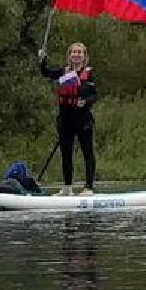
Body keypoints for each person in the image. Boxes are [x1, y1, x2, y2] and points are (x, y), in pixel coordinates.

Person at [37, 41, 98, 195]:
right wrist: (42, 59)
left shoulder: (89, 74)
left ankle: (89, 187)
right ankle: (67, 187)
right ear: (69, 56)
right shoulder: (63, 72)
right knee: (66, 153)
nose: (76, 55)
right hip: (66, 120)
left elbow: (94, 95)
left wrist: (85, 101)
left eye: (79, 52)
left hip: (83, 119)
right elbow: (46, 73)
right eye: (73, 52)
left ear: (84, 56)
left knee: (87, 152)